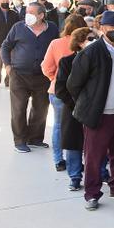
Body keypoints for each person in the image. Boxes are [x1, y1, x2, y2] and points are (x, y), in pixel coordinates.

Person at [65, 12, 114, 211]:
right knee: (94, 157)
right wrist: (89, 104)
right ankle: (92, 194)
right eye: (110, 27)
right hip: (99, 115)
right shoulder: (90, 52)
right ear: (102, 28)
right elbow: (73, 84)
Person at [1, 2, 59, 153]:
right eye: (27, 11)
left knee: (41, 109)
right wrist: (7, 66)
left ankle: (35, 139)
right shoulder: (18, 27)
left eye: (32, 13)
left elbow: (56, 48)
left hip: (43, 76)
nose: (28, 15)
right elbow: (5, 46)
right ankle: (20, 141)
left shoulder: (52, 28)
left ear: (41, 15)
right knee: (19, 109)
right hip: (19, 75)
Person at [42, 13, 89, 171]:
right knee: (80, 127)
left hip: (58, 90)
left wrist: (54, 79)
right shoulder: (88, 44)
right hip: (82, 92)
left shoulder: (56, 43)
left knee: (58, 125)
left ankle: (58, 159)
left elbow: (46, 67)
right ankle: (79, 160)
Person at [54, 27, 95, 191]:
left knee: (96, 144)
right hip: (73, 110)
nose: (94, 42)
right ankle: (75, 176)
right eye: (90, 39)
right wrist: (78, 105)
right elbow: (60, 89)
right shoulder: (66, 62)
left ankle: (99, 173)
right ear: (79, 42)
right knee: (73, 144)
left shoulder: (101, 60)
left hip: (95, 109)